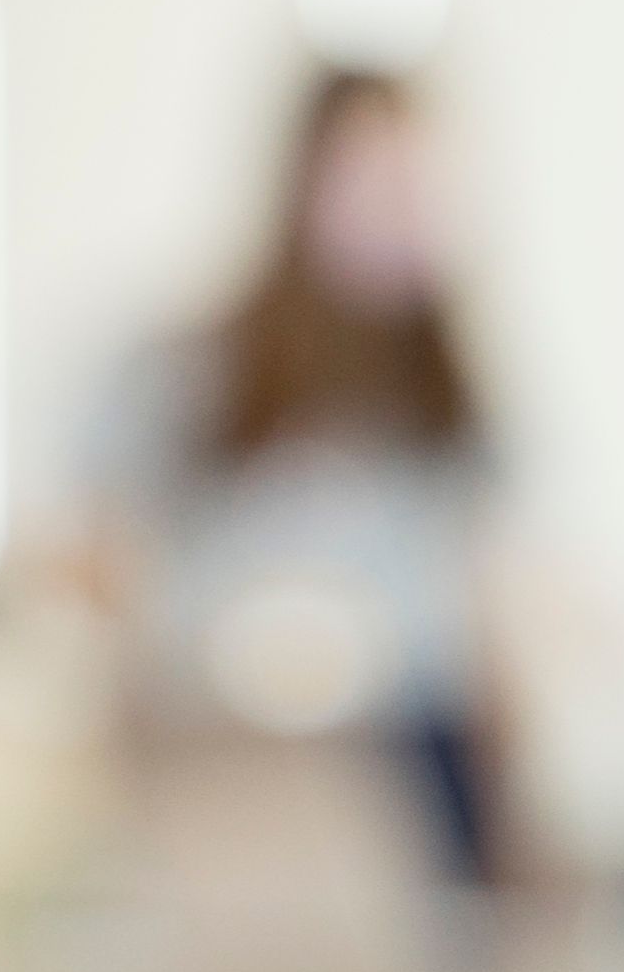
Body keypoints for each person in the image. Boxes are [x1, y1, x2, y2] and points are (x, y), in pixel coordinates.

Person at [60, 65, 515, 893]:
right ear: (306, 181)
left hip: (413, 759)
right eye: (374, 177)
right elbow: (98, 563)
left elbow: (488, 614)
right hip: (226, 756)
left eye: (418, 181)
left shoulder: (448, 397)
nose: (402, 208)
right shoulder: (182, 371)